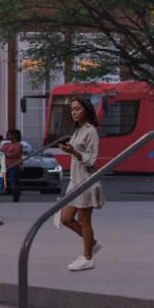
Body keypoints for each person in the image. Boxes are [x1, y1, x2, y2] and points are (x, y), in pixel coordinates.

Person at [55, 97, 102, 269]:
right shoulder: (78, 130)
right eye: (72, 109)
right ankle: (92, 243)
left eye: (78, 109)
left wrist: (73, 151)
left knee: (84, 220)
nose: (74, 112)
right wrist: (69, 150)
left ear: (87, 111)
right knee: (65, 218)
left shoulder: (90, 132)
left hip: (86, 180)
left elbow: (91, 160)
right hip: (75, 181)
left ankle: (88, 257)